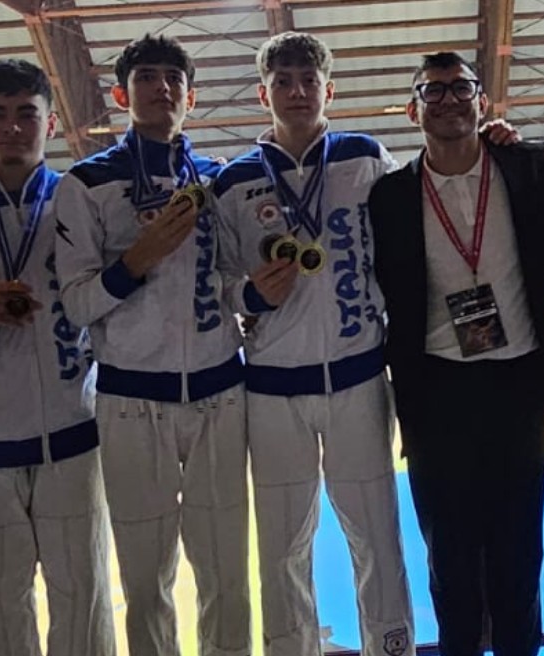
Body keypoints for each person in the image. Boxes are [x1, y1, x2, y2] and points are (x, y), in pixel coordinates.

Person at [212, 31, 414, 656]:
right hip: (273, 388)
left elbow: (403, 247)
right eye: (283, 82)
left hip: (358, 379)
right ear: (263, 93)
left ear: (330, 90)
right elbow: (218, 282)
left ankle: (392, 646)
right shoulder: (234, 181)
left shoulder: (365, 156)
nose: (297, 92)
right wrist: (251, 295)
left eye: (308, 81)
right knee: (282, 545)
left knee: (376, 536)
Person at [54, 35, 250, 656]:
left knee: (227, 574)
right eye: (145, 77)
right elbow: (77, 305)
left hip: (220, 394)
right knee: (146, 580)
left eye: (173, 78)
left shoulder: (219, 179)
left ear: (191, 96)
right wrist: (135, 261)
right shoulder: (86, 183)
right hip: (131, 403)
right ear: (121, 95)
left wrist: (258, 291)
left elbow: (232, 280)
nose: (161, 87)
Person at [368, 51, 544, 656]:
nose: (449, 99)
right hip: (436, 391)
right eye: (434, 90)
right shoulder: (390, 195)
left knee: (518, 555)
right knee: (449, 559)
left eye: (460, 88)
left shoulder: (528, 165)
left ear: (483, 100)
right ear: (413, 109)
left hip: (518, 384)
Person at [0, 59, 114, 656]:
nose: (11, 127)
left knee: (83, 595)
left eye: (26, 115)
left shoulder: (77, 202)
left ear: (51, 123)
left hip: (71, 431)